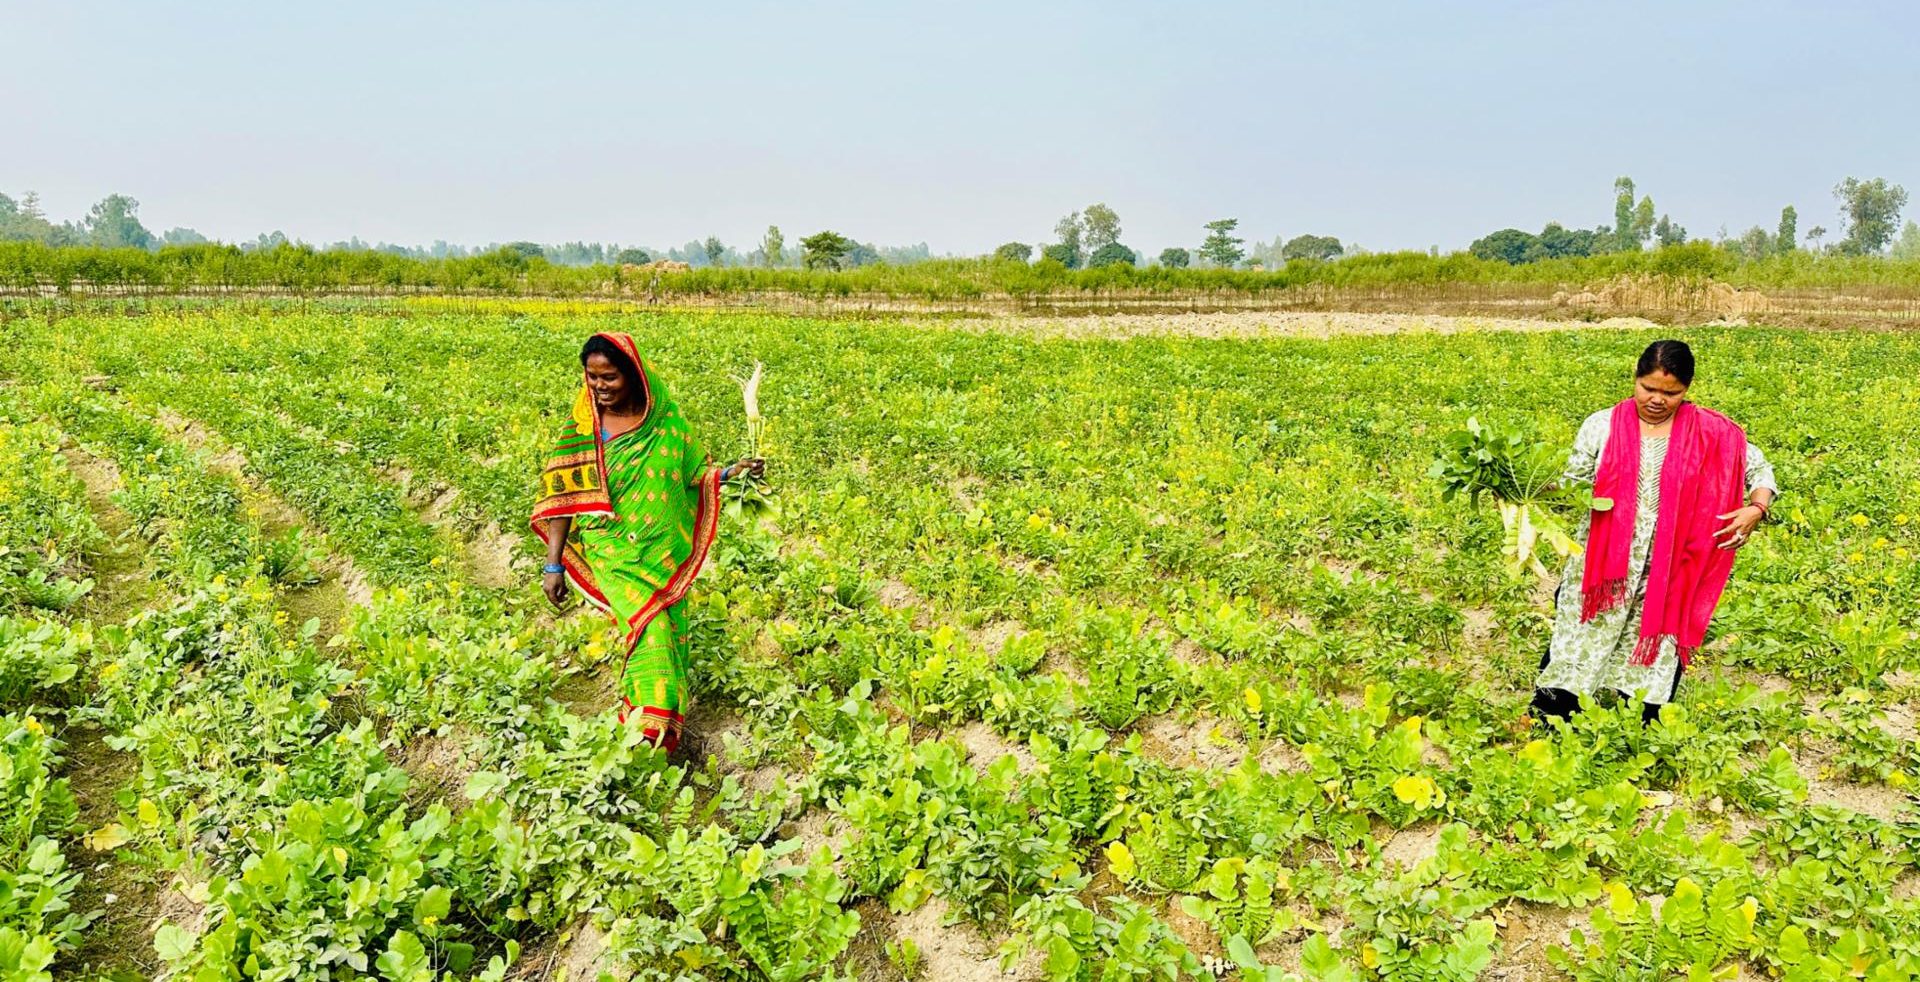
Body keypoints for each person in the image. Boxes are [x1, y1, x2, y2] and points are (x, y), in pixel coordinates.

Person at [531, 332, 763, 752]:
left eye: (610, 378)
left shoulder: (667, 423)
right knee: (649, 630)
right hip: (613, 553)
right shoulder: (585, 427)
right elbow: (562, 497)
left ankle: (656, 734)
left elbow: (695, 474)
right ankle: (643, 738)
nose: (599, 387)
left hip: (658, 551)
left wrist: (733, 473)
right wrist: (553, 564)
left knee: (670, 633)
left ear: (634, 375)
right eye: (592, 378)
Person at [1531, 340, 1777, 725]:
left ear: (1687, 389)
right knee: (1580, 633)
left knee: (1659, 639)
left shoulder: (1711, 431)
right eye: (1648, 388)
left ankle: (1643, 723)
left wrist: (1756, 508)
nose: (1657, 399)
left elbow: (1760, 471)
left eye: (1671, 392)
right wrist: (1524, 488)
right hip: (1604, 564)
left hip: (1671, 565)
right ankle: (1555, 714)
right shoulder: (1602, 425)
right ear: (1635, 378)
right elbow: (1571, 483)